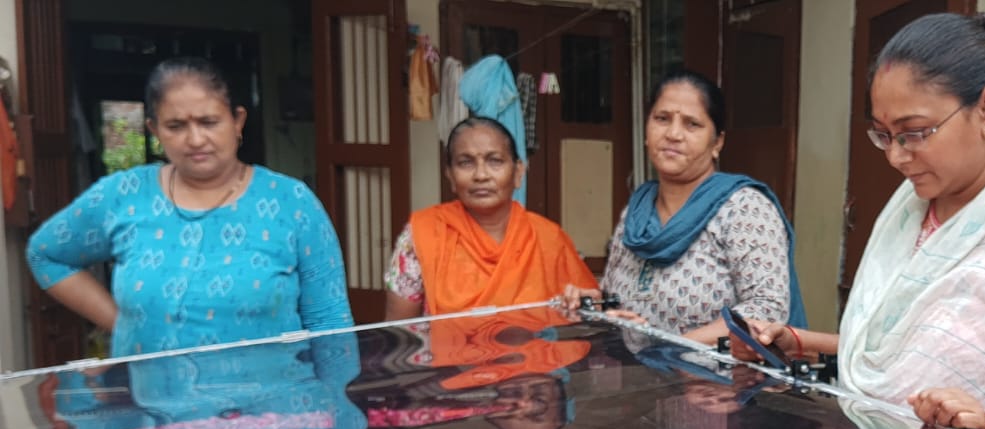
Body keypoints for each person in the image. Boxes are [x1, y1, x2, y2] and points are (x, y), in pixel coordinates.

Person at [734, 13, 985, 428]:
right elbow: (906, 362)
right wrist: (801, 344)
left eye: (914, 132)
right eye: (883, 135)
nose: (896, 156)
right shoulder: (910, 208)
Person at [28, 58, 351, 357]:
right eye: (176, 126)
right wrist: (123, 324)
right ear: (154, 130)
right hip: (154, 407)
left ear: (237, 121)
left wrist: (338, 404)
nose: (195, 139)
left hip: (274, 408)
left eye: (209, 122)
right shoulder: (124, 195)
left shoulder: (291, 202)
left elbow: (330, 321)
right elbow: (46, 254)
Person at [559, 70, 804, 341]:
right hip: (643, 379)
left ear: (717, 142)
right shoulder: (637, 213)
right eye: (662, 119)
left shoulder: (743, 209)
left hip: (720, 380)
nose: (673, 134)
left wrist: (674, 347)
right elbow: (621, 302)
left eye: (692, 124)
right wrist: (597, 305)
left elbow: (767, 309)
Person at [385, 117, 595, 320]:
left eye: (495, 161)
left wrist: (579, 304)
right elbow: (400, 334)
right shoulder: (423, 234)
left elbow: (590, 315)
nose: (481, 175)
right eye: (466, 163)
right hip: (446, 357)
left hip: (535, 355)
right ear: (449, 175)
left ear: (518, 172)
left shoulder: (549, 238)